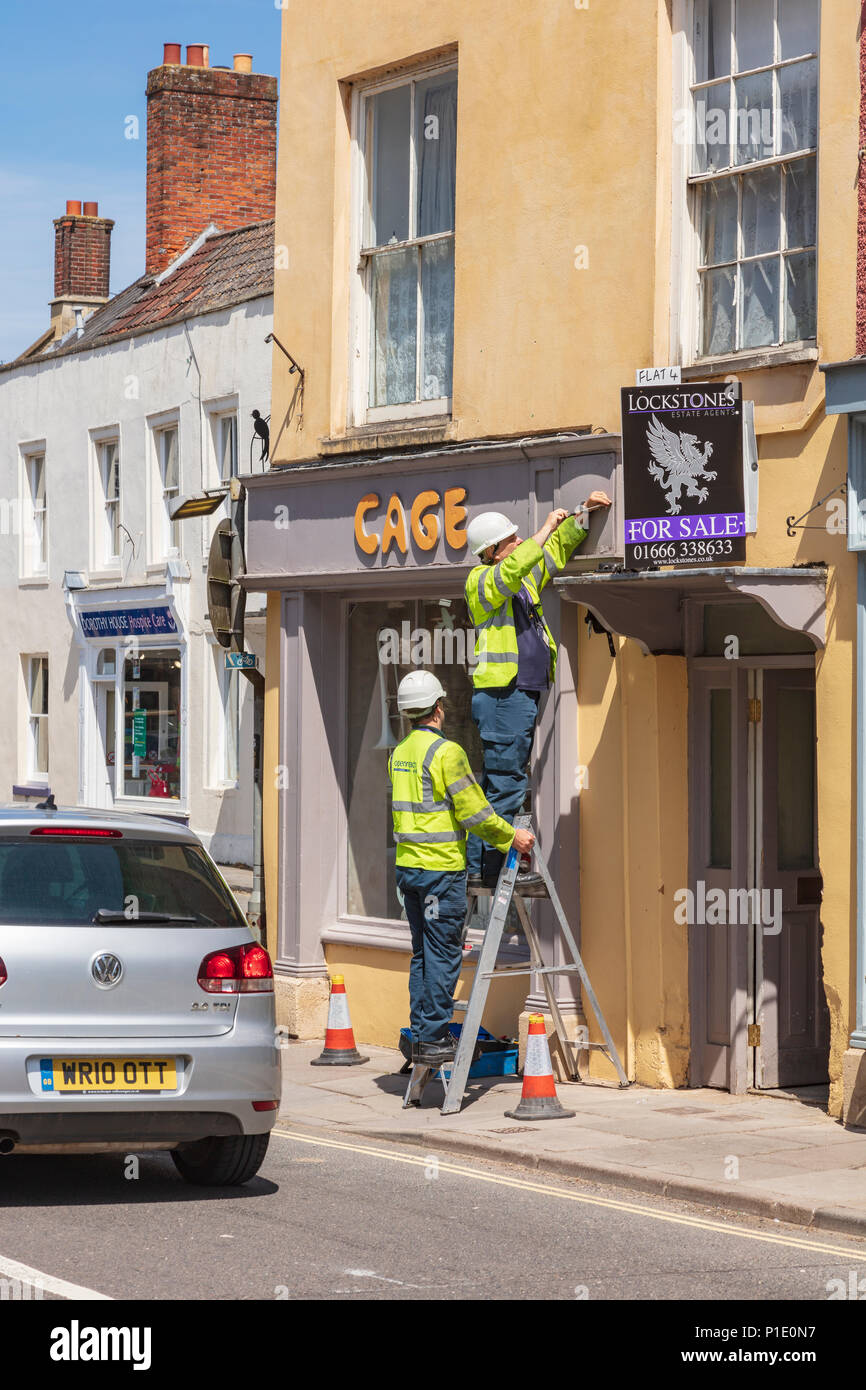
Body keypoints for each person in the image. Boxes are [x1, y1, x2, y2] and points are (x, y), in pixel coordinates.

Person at [388, 669, 535, 1066]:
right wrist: (512, 838)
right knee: (442, 955)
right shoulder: (447, 753)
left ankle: (421, 1034)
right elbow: (476, 814)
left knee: (422, 954)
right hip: (440, 871)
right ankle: (433, 1039)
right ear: (439, 707)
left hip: (409, 870)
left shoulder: (399, 753)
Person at [464, 494, 612, 886]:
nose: (519, 542)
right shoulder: (481, 581)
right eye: (511, 539)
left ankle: (484, 867)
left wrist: (582, 514)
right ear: (493, 551)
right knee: (508, 784)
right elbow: (515, 567)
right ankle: (491, 872)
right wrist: (543, 528)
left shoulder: (519, 575)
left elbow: (554, 551)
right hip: (503, 695)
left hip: (517, 693)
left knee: (503, 782)